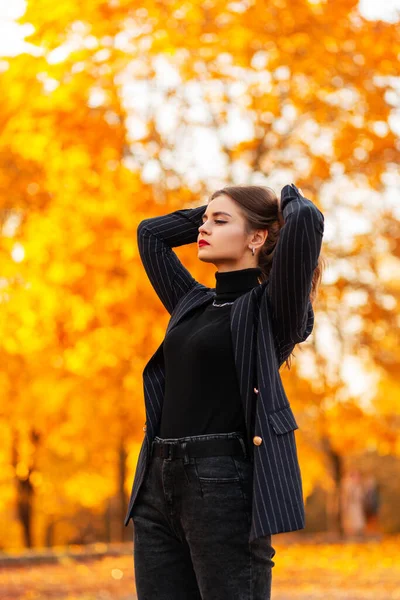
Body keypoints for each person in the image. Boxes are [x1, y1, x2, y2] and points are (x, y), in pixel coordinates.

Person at [125, 183, 325, 599]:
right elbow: (150, 233)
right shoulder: (191, 302)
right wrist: (217, 208)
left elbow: (306, 221)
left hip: (222, 487)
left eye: (219, 221)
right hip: (157, 485)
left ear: (258, 237)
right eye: (203, 220)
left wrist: (279, 202)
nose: (204, 227)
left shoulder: (271, 310)